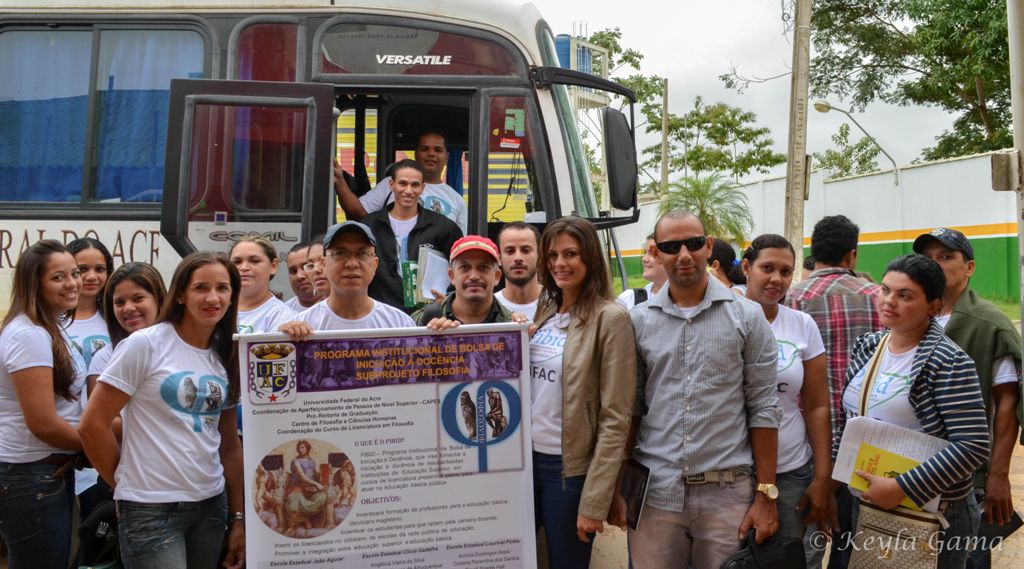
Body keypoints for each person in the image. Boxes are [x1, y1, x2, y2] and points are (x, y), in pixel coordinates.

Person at [624, 210, 781, 569]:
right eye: (671, 247)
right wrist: (620, 485)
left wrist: (765, 496)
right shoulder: (638, 321)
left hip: (726, 496)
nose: (684, 255)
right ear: (656, 252)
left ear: (708, 246)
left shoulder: (747, 317)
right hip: (657, 494)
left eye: (693, 244)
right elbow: (631, 407)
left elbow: (764, 407)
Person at [79, 252, 245, 569]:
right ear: (180, 294)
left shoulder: (226, 353)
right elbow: (92, 425)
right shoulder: (145, 344)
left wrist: (238, 518)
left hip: (211, 505)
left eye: (222, 288)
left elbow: (229, 445)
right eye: (201, 288)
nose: (213, 298)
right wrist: (124, 485)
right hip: (150, 509)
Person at [835, 254, 990, 569]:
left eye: (904, 295)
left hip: (929, 512)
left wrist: (903, 487)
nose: (889, 301)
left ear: (933, 306)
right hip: (868, 502)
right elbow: (849, 418)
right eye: (885, 290)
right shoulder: (869, 346)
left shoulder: (948, 360)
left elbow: (973, 445)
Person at [530, 216, 636, 569]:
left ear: (590, 257)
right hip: (525, 462)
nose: (559, 263)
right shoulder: (546, 310)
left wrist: (594, 500)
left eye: (570, 254)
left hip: (568, 471)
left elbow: (616, 417)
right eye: (552, 255)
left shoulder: (611, 318)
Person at [913, 228, 1023, 549]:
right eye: (928, 258)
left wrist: (998, 475)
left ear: (970, 267)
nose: (935, 264)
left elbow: (1007, 402)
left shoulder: (989, 323)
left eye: (946, 257)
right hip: (912, 470)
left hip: (966, 477)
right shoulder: (914, 317)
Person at [785, 214, 882, 569]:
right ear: (852, 255)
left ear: (813, 251)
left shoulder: (791, 299)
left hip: (808, 440)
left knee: (806, 540)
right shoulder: (878, 297)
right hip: (866, 442)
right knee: (856, 542)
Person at [741, 235, 831, 568]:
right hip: (734, 474)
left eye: (786, 271)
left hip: (792, 472)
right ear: (747, 268)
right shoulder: (724, 320)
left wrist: (821, 476)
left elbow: (817, 405)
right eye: (767, 268)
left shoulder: (802, 324)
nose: (776, 279)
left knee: (785, 561)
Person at [0, 240, 87, 569]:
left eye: (74, 273)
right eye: (58, 277)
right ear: (33, 284)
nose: (72, 283)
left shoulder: (47, 327)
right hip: (30, 475)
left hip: (44, 473)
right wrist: (96, 445)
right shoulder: (29, 335)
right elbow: (42, 423)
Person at [280, 221, 415, 339]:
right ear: (324, 264)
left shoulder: (400, 325)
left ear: (375, 264)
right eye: (340, 253)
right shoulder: (303, 329)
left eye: (362, 253)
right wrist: (283, 339)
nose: (351, 264)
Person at [360, 159, 462, 312]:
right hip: (379, 313)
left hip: (428, 315)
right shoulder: (369, 226)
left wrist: (448, 302)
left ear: (422, 188)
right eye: (402, 183)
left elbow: (460, 268)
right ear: (391, 185)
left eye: (415, 185)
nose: (408, 191)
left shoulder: (443, 227)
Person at [334, 131, 468, 233]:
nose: (431, 154)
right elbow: (358, 214)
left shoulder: (456, 200)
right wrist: (340, 182)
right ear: (415, 154)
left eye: (438, 150)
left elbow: (459, 247)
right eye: (425, 149)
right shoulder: (390, 184)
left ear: (446, 157)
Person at [412, 236, 513, 326]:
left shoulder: (512, 326)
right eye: (464, 267)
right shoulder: (420, 321)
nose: (474, 276)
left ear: (497, 276)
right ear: (451, 276)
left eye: (483, 267)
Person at [230, 236, 295, 333]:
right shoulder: (218, 307)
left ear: (273, 266)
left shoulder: (282, 316)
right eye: (237, 262)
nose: (244, 267)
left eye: (254, 261)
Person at [67, 237, 114, 368]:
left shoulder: (117, 316)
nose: (92, 277)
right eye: (82, 269)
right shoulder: (52, 318)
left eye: (99, 269)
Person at [495, 222, 542, 320]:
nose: (518, 258)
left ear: (540, 256)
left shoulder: (561, 304)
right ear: (499, 259)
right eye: (510, 251)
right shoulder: (489, 309)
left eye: (526, 250)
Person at [615, 233, 667, 310]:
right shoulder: (629, 301)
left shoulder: (686, 304)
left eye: (654, 253)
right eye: (645, 252)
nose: (644, 259)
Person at [283, 241, 323, 311]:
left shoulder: (341, 309)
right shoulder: (283, 312)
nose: (299, 276)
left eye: (307, 267)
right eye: (293, 271)